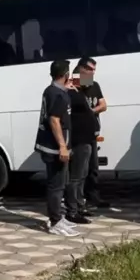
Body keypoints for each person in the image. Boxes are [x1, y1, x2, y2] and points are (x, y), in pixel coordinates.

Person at [34, 60, 79, 237]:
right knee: (56, 185)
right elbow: (54, 120)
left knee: (60, 183)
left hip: (53, 146)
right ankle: (55, 222)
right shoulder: (57, 94)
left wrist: (66, 89)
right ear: (65, 74)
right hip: (54, 148)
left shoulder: (53, 91)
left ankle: (58, 217)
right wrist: (62, 146)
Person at [75, 57, 109, 209]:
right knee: (80, 170)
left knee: (93, 168)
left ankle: (94, 198)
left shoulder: (94, 85)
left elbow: (103, 105)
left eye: (94, 70)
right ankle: (79, 200)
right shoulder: (74, 85)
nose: (92, 72)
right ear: (81, 68)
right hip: (80, 134)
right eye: (89, 69)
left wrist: (91, 111)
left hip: (93, 131)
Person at [63, 68, 96, 224]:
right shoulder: (70, 93)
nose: (89, 78)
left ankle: (80, 205)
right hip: (78, 141)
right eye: (85, 75)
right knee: (75, 177)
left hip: (87, 140)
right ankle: (72, 211)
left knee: (82, 176)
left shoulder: (79, 92)